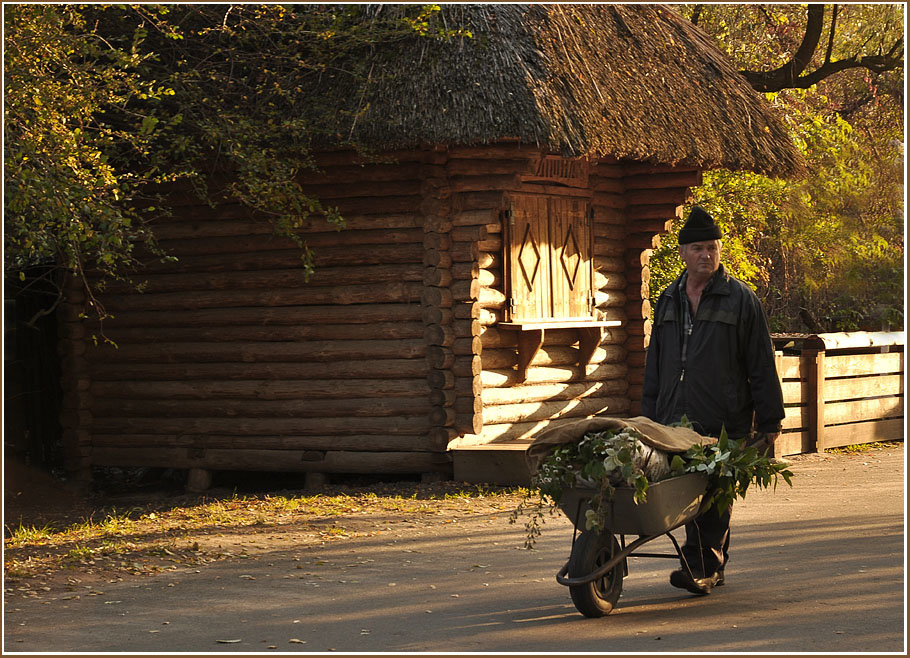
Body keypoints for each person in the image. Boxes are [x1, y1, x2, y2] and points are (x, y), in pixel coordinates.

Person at [641, 205, 784, 595]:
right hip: (674, 417)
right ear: (683, 253)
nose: (707, 255)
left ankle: (704, 565)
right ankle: (703, 562)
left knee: (716, 492)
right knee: (686, 489)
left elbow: (760, 363)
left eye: (714, 248)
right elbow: (655, 362)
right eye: (699, 248)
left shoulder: (740, 300)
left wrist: (770, 422)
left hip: (723, 416)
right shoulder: (668, 300)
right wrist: (647, 417)